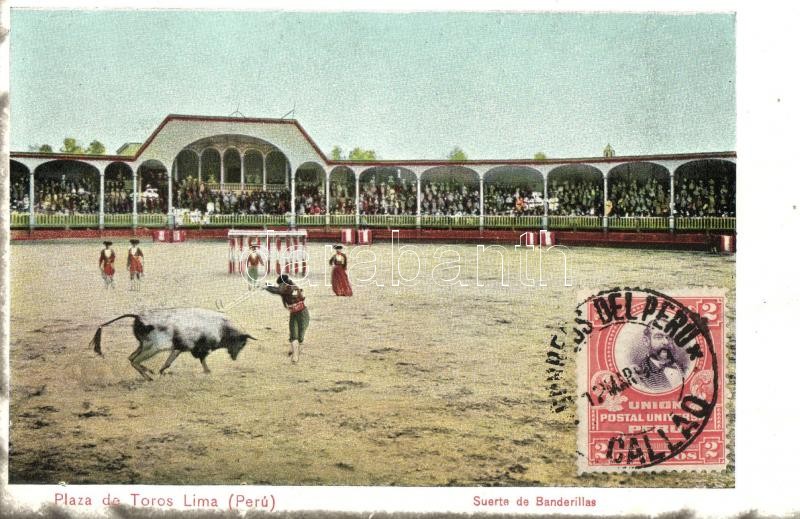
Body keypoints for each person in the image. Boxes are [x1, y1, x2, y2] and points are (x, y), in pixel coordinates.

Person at [263, 274, 310, 363]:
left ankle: (295, 350)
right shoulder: (287, 287)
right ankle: (295, 355)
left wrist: (267, 287)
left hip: (302, 313)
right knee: (294, 334)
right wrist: (267, 285)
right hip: (294, 314)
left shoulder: (290, 288)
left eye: (281, 284)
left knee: (300, 335)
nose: (280, 286)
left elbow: (277, 290)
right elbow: (278, 289)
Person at [632, 326, 688, 391]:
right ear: (646, 341)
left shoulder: (684, 368)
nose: (666, 342)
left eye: (669, 337)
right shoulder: (639, 375)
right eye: (659, 337)